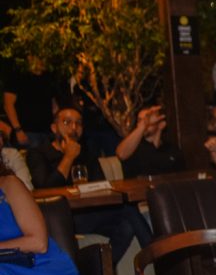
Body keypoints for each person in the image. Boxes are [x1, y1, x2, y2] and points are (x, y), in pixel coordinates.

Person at [27, 107, 153, 265]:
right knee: (128, 213)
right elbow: (44, 188)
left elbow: (101, 186)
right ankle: (159, 261)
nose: (73, 128)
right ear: (54, 128)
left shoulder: (87, 154)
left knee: (128, 222)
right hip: (61, 218)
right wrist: (69, 157)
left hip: (89, 213)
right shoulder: (39, 153)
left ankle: (100, 273)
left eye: (78, 123)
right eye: (67, 122)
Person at [3, 55, 62, 149]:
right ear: (30, 58)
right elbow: (8, 104)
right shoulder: (18, 76)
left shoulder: (48, 78)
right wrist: (18, 130)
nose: (43, 61)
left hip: (47, 132)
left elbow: (54, 105)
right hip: (27, 132)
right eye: (40, 58)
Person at [114, 105, 185, 178]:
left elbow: (182, 179)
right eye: (139, 120)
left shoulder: (172, 150)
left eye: (148, 119)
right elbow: (121, 154)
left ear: (161, 124)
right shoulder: (134, 147)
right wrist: (143, 125)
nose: (143, 122)